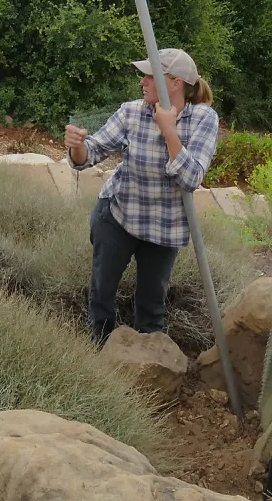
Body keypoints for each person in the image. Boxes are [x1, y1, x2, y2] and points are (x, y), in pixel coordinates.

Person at [64, 48, 219, 346]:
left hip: (164, 227)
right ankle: (101, 352)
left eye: (150, 75)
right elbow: (89, 155)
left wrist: (169, 131)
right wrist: (77, 145)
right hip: (118, 216)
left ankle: (149, 368)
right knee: (102, 291)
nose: (143, 82)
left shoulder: (203, 119)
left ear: (174, 83)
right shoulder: (132, 111)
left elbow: (191, 179)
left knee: (152, 304)